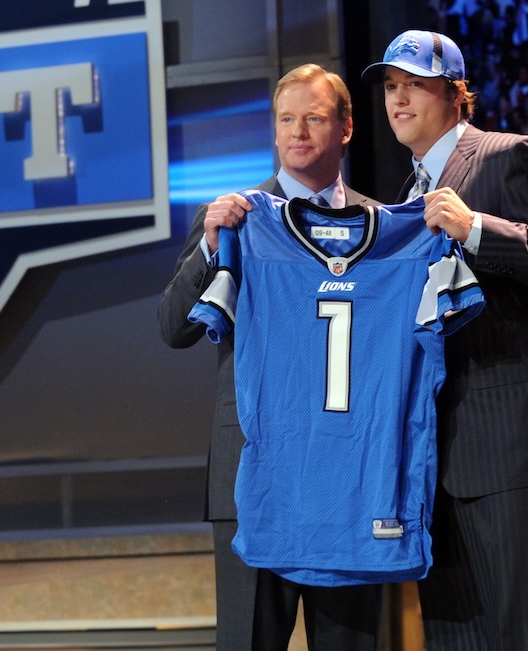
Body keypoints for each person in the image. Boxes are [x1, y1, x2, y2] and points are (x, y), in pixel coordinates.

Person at [361, 29, 528, 650]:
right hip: (431, 460)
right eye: (390, 87)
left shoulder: (505, 156)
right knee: (454, 639)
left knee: (524, 634)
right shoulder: (404, 200)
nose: (398, 99)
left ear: (455, 92)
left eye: (413, 83)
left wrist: (476, 230)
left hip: (506, 441)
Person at [158, 63, 381, 651]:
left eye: (314, 117)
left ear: (346, 128)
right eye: (287, 119)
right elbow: (173, 329)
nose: (298, 131)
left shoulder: (382, 228)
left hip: (350, 480)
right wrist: (209, 246)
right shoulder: (234, 219)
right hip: (251, 477)